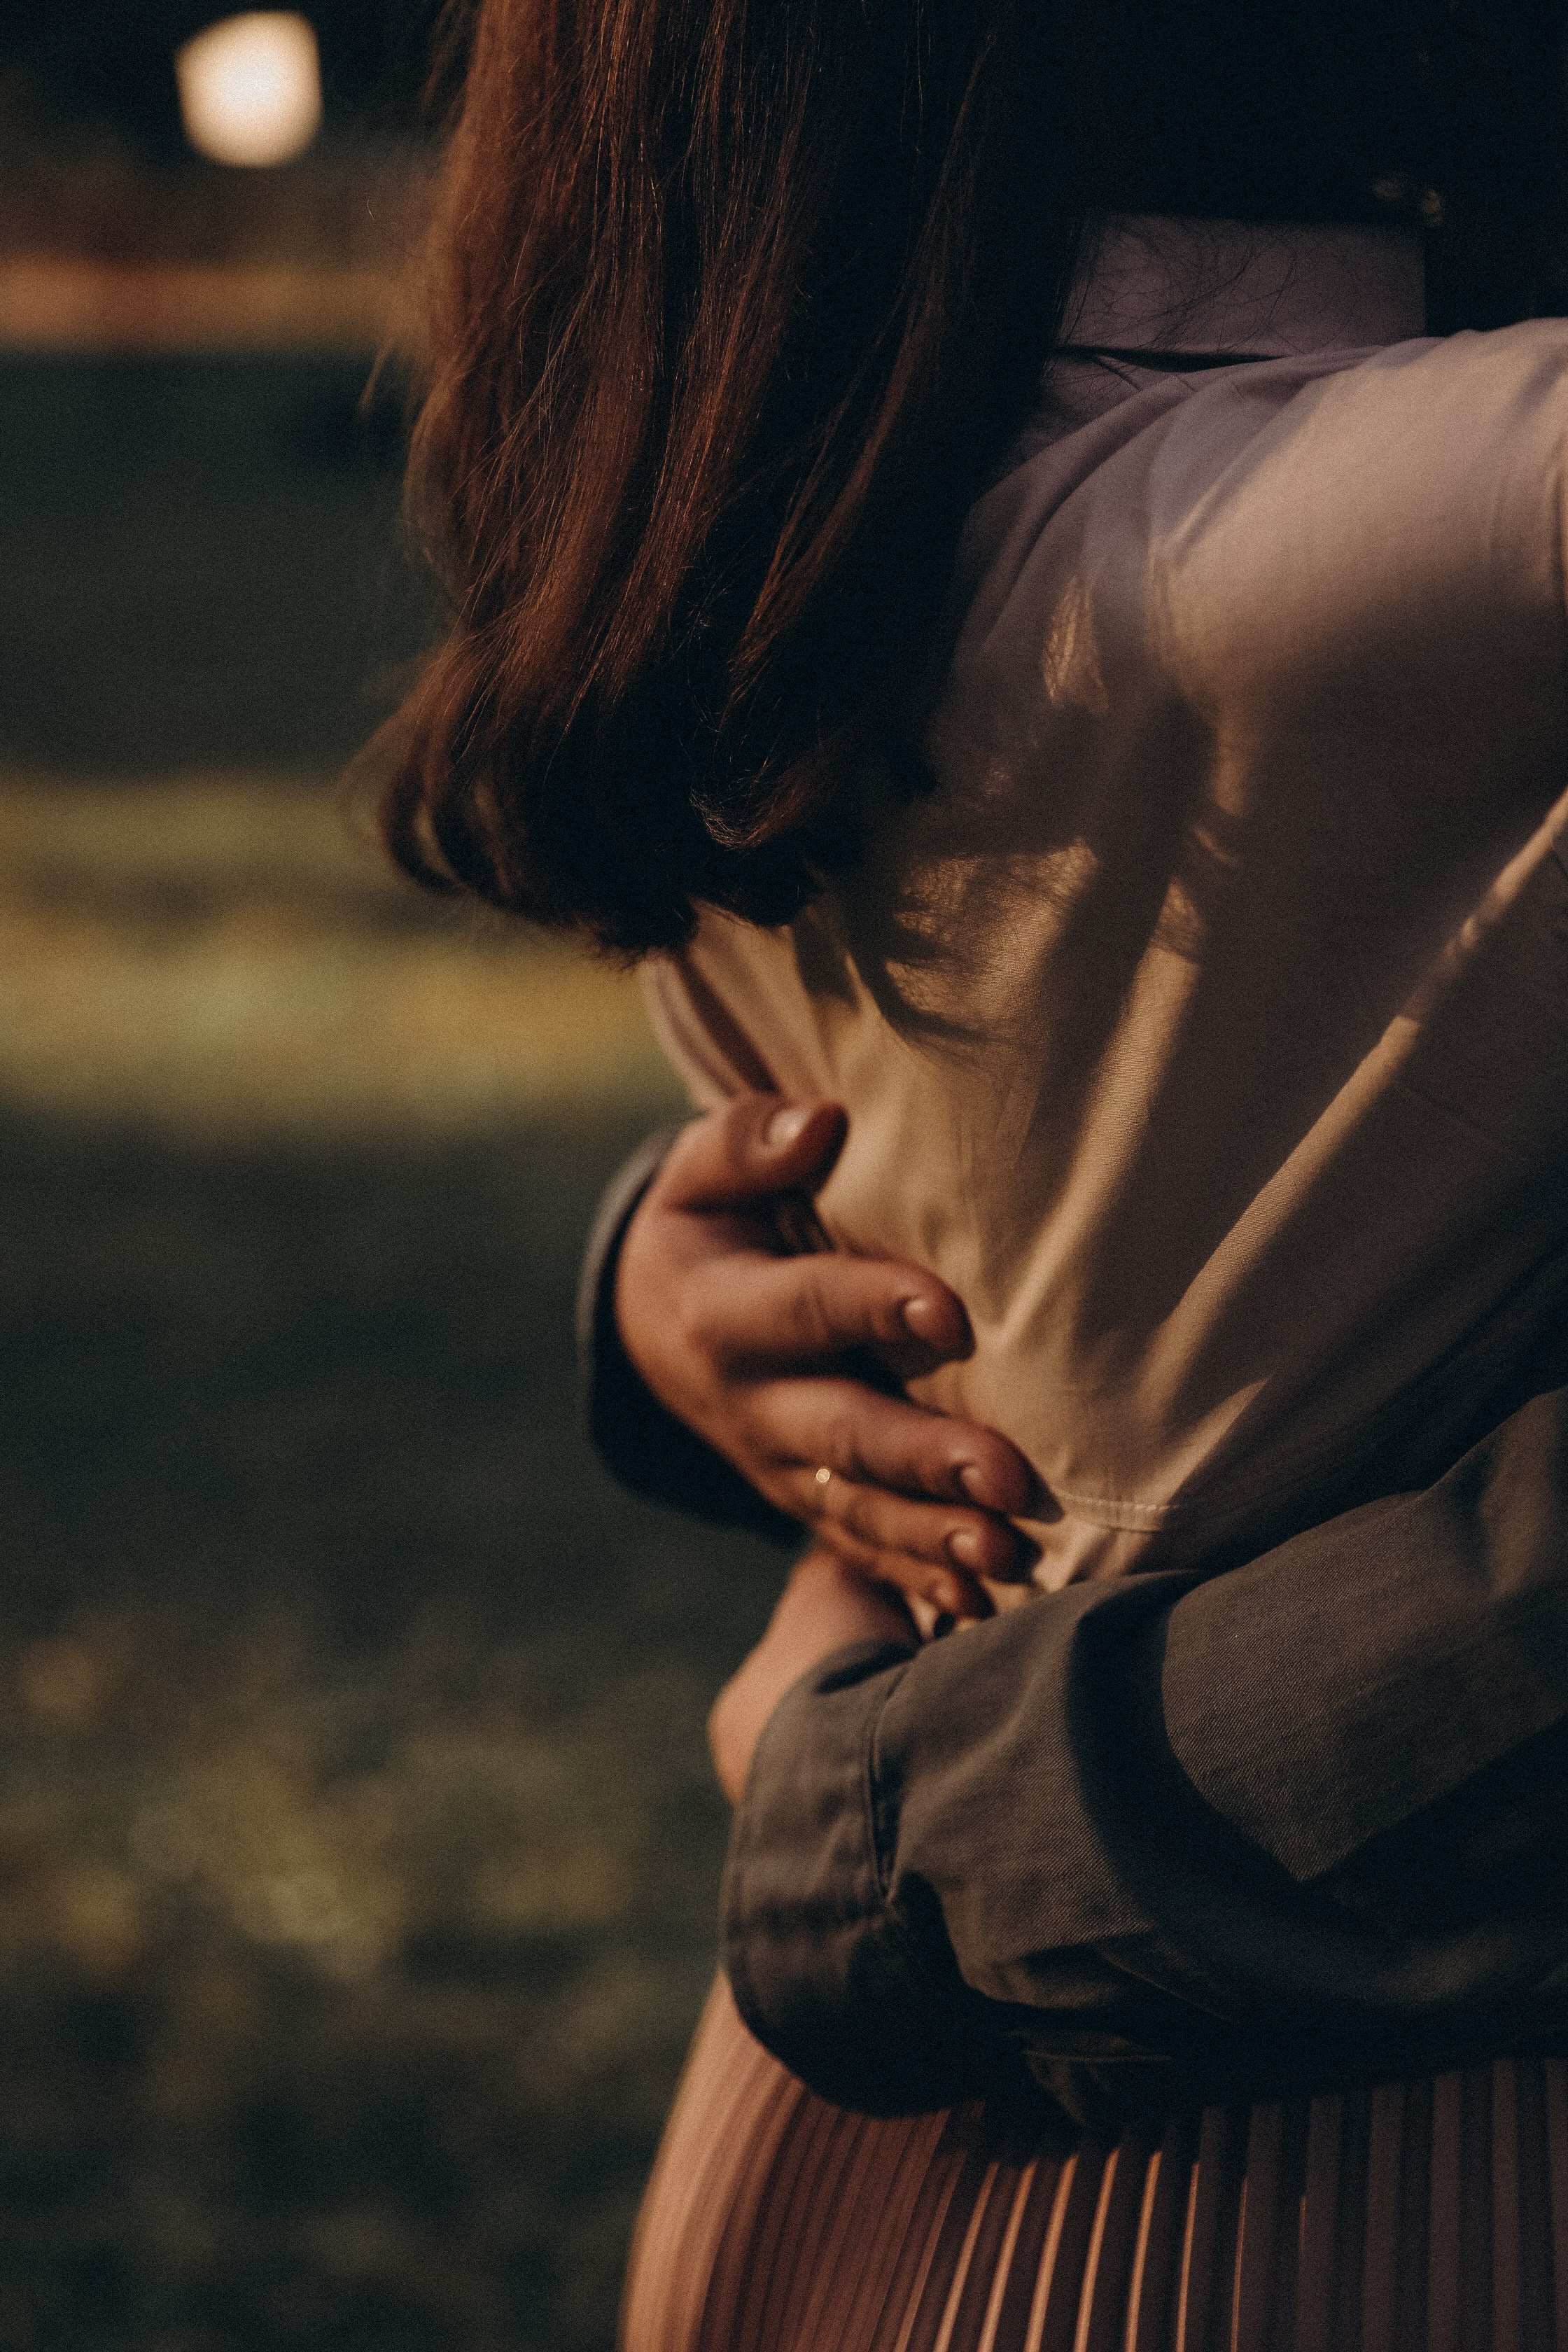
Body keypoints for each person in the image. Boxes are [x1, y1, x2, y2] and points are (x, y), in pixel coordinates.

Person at [378, 0, 1568, 2340]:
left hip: (854, 2118)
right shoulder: (1413, 535)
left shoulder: (769, 516)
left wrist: (668, 1263)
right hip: (1393, 2164)